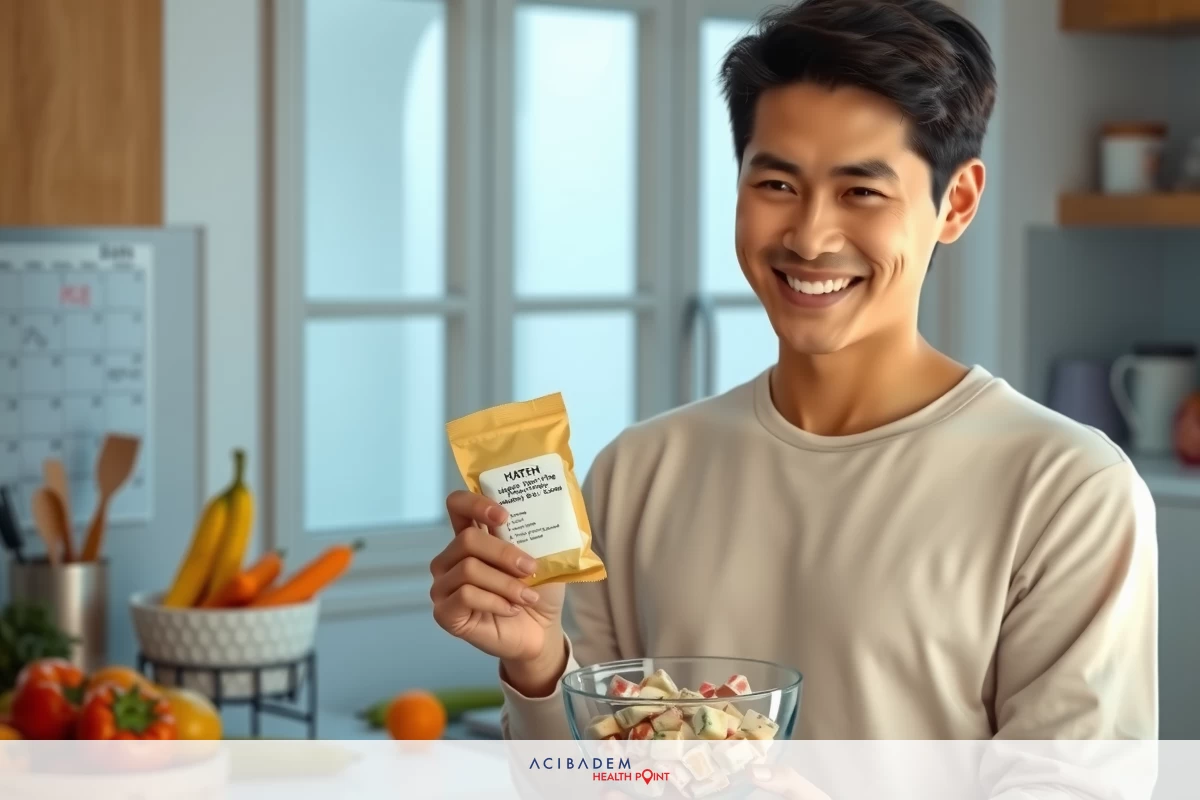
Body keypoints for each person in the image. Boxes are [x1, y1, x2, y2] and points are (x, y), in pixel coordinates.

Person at [430, 0, 1158, 740]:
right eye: (776, 185)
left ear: (956, 203)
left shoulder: (1066, 492)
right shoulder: (640, 473)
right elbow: (584, 782)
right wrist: (537, 667)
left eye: (861, 192)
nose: (809, 237)